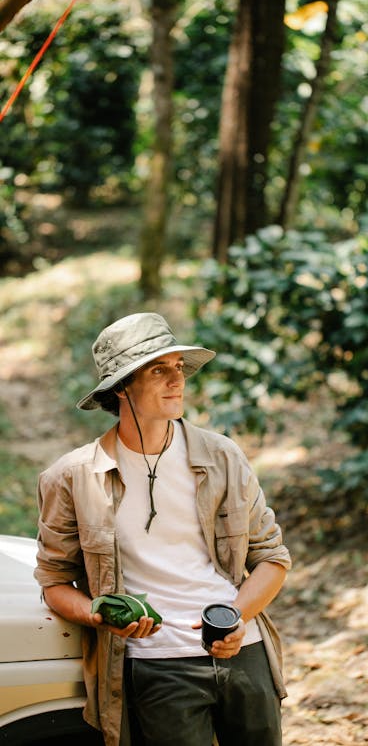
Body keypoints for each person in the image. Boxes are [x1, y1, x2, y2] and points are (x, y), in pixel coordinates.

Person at [34, 312, 291, 746]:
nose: (178, 379)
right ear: (121, 387)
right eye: (159, 369)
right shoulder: (72, 477)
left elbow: (272, 558)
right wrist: (98, 614)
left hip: (242, 652)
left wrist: (237, 619)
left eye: (179, 367)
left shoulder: (222, 456)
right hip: (156, 665)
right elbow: (55, 581)